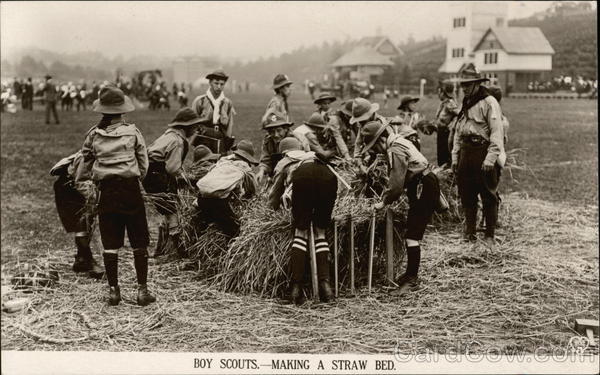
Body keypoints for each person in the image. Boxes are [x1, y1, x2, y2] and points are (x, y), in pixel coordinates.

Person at [76, 85, 154, 307]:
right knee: (139, 240)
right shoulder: (134, 132)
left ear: (103, 111)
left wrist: (89, 180)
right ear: (123, 111)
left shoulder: (93, 135)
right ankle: (142, 291)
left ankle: (113, 292)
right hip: (130, 190)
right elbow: (144, 165)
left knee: (110, 242)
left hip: (106, 192)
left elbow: (85, 164)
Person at [360, 121, 440, 293]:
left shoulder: (395, 148)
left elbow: (396, 183)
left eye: (375, 146)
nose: (376, 151)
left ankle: (412, 280)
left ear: (381, 139)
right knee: (411, 232)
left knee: (412, 235)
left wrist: (384, 201)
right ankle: (410, 275)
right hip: (423, 184)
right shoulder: (399, 141)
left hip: (423, 186)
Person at [268, 137, 337, 304]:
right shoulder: (311, 155)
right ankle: (325, 287)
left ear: (284, 151)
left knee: (301, 232)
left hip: (303, 177)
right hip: (328, 176)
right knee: (320, 232)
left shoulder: (284, 161)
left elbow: (274, 194)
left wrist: (271, 209)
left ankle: (295, 287)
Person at [451, 66, 505, 247]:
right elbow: (459, 131)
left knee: (488, 195)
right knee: (467, 194)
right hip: (466, 152)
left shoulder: (489, 102)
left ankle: (489, 235)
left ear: (476, 84)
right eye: (462, 85)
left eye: (467, 85)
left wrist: (490, 158)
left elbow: (497, 132)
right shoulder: (465, 102)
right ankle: (470, 232)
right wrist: (455, 157)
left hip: (483, 151)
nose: (464, 88)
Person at [143, 107, 202, 258]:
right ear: (186, 127)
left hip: (149, 174)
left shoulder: (168, 135)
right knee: (172, 211)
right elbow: (172, 168)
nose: (195, 129)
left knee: (165, 211)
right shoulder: (178, 141)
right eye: (194, 126)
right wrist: (188, 180)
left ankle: (161, 249)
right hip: (158, 176)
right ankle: (180, 250)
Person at [50, 151, 104, 279]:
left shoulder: (107, 152)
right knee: (81, 223)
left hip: (84, 188)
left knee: (88, 222)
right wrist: (95, 198)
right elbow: (81, 182)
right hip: (69, 188)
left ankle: (81, 259)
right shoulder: (86, 156)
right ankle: (90, 263)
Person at [195, 140, 258, 238]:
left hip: (201, 197)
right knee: (234, 229)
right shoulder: (245, 167)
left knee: (206, 222)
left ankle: (197, 237)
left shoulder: (222, 162)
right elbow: (252, 188)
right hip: (218, 202)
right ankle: (231, 249)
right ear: (247, 158)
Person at [191, 69, 235, 154]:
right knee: (203, 162)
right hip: (204, 137)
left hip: (220, 136)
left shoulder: (227, 103)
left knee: (220, 163)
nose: (219, 87)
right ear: (210, 83)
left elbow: (230, 124)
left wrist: (228, 140)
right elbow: (192, 122)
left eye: (222, 84)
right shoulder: (200, 100)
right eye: (216, 83)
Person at [256, 113, 297, 184]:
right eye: (272, 132)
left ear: (286, 129)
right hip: (276, 176)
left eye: (279, 130)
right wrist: (261, 171)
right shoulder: (268, 141)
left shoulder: (295, 140)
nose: (276, 135)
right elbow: (266, 160)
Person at [429, 81, 459, 167]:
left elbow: (460, 115)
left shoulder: (450, 103)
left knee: (446, 160)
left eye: (439, 92)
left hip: (447, 135)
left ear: (444, 92)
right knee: (441, 159)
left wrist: (452, 125)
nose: (438, 94)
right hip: (441, 133)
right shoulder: (443, 103)